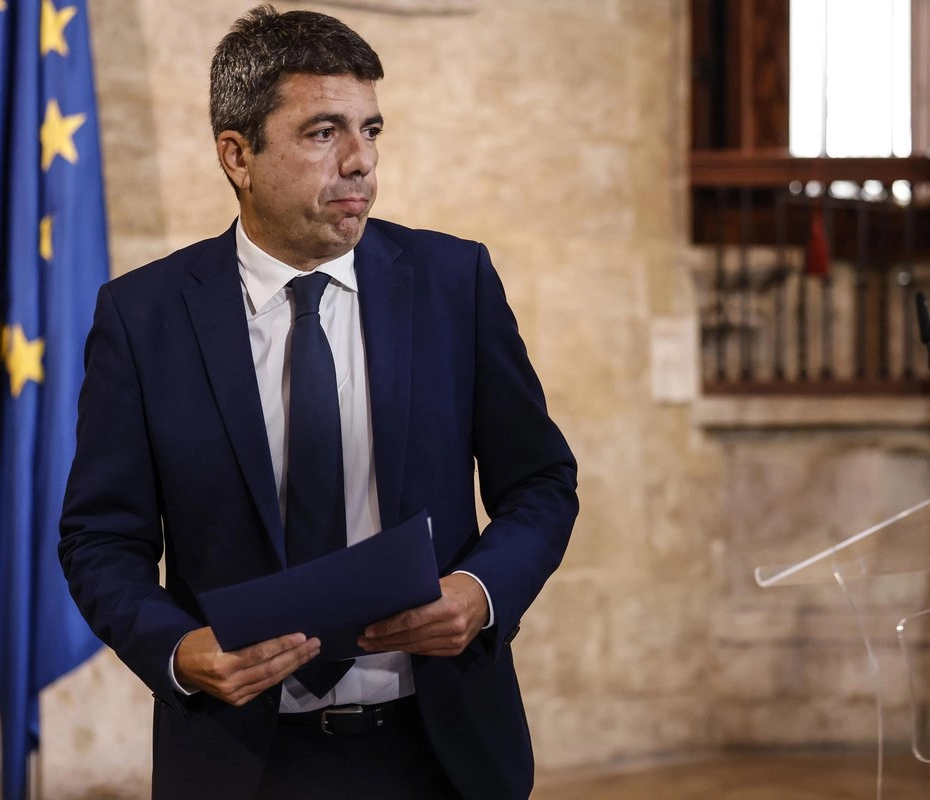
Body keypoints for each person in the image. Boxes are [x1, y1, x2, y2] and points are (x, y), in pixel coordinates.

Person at [58, 5, 577, 798]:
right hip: (241, 757)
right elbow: (100, 536)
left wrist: (481, 592)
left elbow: (541, 483)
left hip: (443, 749)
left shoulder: (453, 283)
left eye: (371, 131)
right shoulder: (144, 317)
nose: (360, 161)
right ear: (237, 154)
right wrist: (177, 650)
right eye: (322, 132)